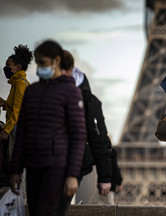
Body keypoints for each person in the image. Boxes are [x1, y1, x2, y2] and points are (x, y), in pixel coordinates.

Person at [9, 40, 86, 216]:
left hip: (56, 166)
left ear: (56, 61)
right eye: (37, 63)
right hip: (33, 165)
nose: (38, 69)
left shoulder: (71, 92)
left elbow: (78, 136)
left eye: (42, 63)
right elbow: (21, 134)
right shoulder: (31, 91)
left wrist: (72, 174)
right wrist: (16, 170)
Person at [54, 50, 112, 215]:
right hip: (47, 160)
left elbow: (98, 138)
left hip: (73, 163)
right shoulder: (44, 94)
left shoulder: (88, 101)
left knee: (56, 210)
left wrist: (105, 176)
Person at [0, 45, 33, 198]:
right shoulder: (17, 83)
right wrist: (4, 103)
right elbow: (13, 106)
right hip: (19, 128)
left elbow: (18, 110)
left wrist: (7, 129)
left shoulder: (20, 83)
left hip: (18, 130)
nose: (5, 68)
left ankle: (20, 199)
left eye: (8, 65)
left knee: (16, 163)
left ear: (17, 67)